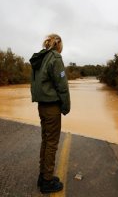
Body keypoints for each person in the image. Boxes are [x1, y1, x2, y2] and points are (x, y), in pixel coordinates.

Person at [29, 34, 71, 194]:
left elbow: (33, 83)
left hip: (41, 105)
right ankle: (47, 181)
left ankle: (43, 175)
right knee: (52, 142)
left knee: (46, 140)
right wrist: (66, 106)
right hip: (52, 106)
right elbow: (62, 85)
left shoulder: (39, 58)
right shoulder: (55, 57)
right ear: (58, 44)